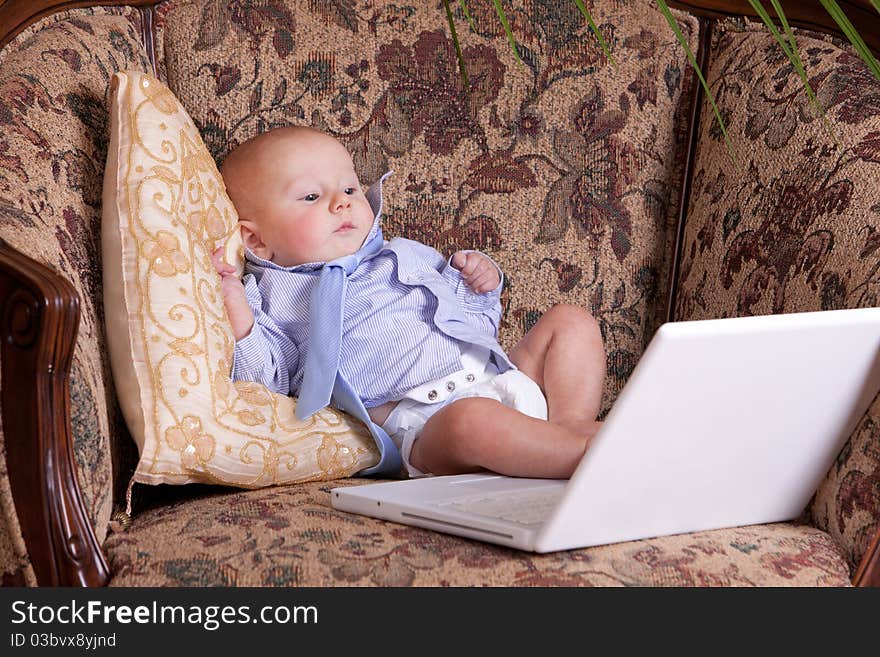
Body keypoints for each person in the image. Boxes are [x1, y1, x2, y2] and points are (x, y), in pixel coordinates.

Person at [213, 125, 606, 479]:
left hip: (501, 379)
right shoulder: (274, 299)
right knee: (471, 423)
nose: (342, 203)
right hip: (430, 424)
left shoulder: (403, 254)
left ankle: (569, 425)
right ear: (256, 241)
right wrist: (239, 317)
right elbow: (266, 381)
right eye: (312, 196)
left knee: (569, 321)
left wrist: (479, 287)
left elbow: (477, 329)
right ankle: (588, 457)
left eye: (349, 189)